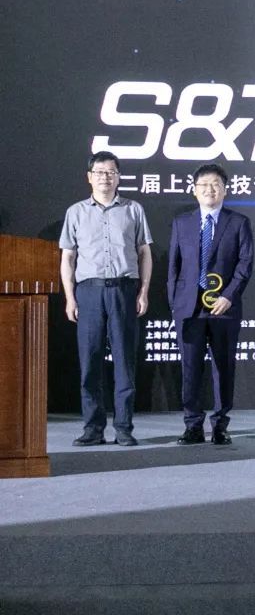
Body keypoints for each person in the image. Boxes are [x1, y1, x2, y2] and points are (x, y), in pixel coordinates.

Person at [60, 151, 153, 447]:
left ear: (118, 176)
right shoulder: (76, 212)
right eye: (99, 172)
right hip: (89, 292)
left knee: (125, 362)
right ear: (89, 177)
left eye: (111, 172)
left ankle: (124, 428)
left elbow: (144, 253)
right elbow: (68, 257)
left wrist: (143, 291)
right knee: (90, 362)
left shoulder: (133, 210)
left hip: (124, 290)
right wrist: (70, 297)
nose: (105, 177)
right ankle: (93, 428)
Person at [167, 163, 253, 445]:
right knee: (190, 369)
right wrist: (175, 304)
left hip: (224, 308)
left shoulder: (238, 222)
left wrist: (229, 296)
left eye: (215, 184)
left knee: (223, 369)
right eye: (203, 185)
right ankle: (192, 425)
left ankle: (220, 425)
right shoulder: (182, 223)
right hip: (189, 309)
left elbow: (244, 264)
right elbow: (174, 267)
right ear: (194, 190)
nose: (209, 189)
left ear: (225, 190)